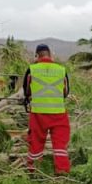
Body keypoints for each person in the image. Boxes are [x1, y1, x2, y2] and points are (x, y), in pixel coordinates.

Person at [23, 44, 71, 175]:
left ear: (37, 56)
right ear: (50, 55)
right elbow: (65, 92)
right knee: (60, 143)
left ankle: (34, 169)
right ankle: (62, 170)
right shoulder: (61, 69)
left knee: (36, 142)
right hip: (58, 113)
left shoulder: (32, 69)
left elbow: (27, 91)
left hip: (38, 113)